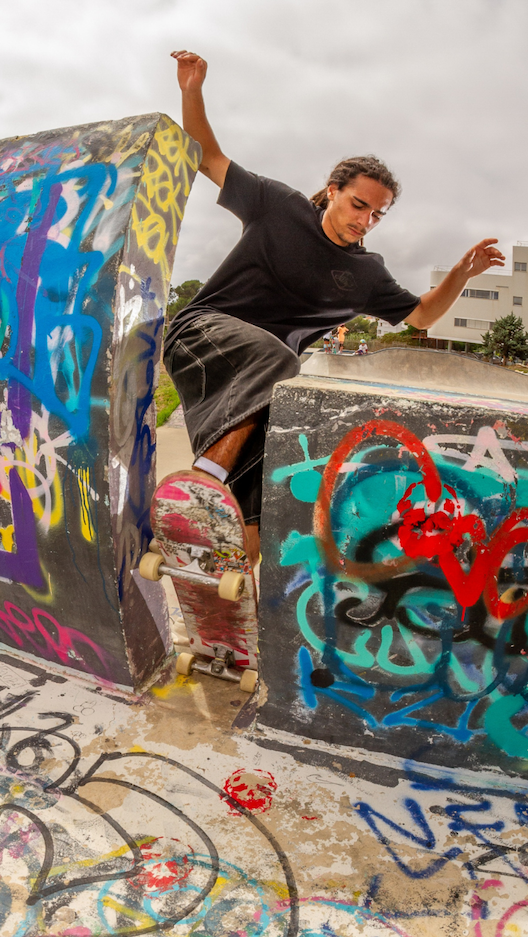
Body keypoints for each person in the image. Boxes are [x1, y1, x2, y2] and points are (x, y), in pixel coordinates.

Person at [164, 50, 505, 564]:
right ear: (333, 191)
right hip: (202, 334)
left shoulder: (367, 274)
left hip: (257, 387)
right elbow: (207, 156)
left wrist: (462, 272)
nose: (365, 221)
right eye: (358, 205)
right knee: (280, 359)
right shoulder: (277, 206)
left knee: (260, 498)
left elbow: (423, 316)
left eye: (377, 215)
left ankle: (226, 591)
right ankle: (203, 480)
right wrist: (192, 90)